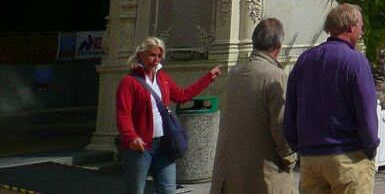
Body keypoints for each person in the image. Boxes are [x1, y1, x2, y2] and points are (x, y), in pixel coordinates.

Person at [284, 4, 379, 194]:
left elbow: (290, 108)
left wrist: (297, 144)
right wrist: (370, 146)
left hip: (311, 158)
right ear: (351, 26)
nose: (361, 32)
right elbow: (367, 112)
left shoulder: (305, 60)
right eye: (361, 26)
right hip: (347, 156)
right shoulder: (355, 61)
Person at [116, 36, 221, 194]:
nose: (156, 59)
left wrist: (208, 79)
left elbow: (182, 96)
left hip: (164, 144)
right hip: (140, 147)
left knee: (168, 190)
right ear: (141, 55)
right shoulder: (129, 82)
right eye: (152, 55)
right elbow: (123, 114)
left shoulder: (163, 78)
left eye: (159, 56)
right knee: (135, 190)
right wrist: (131, 137)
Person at [211, 18, 295, 194]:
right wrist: (290, 158)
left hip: (229, 173)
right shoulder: (275, 76)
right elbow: (281, 126)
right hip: (263, 174)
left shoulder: (234, 73)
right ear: (278, 47)